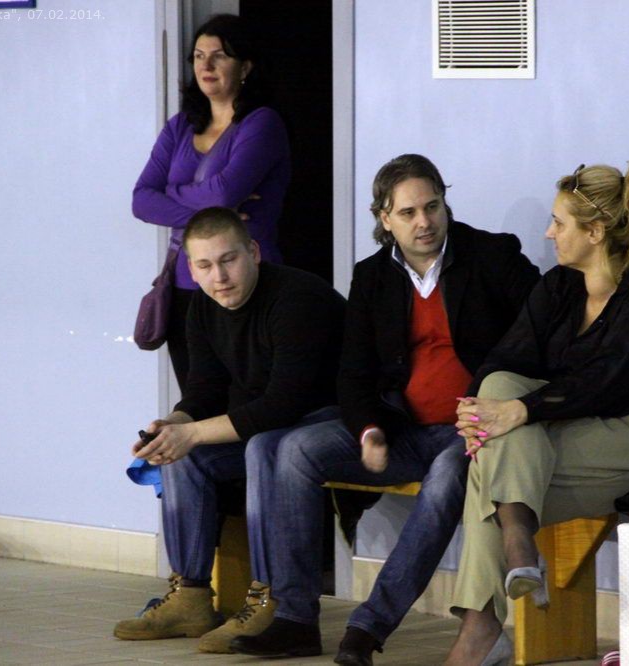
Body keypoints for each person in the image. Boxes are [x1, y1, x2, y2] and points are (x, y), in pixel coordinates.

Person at [231, 154, 540, 664]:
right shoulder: (372, 276)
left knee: (445, 478)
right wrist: (369, 430)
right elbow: (353, 372)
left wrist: (500, 402)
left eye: (432, 206)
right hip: (401, 428)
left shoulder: (493, 255)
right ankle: (294, 618)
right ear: (384, 218)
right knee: (291, 450)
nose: (424, 222)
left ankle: (367, 629)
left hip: (471, 433)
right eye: (408, 212)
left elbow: (540, 334)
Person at [443, 162, 629, 666]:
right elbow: (504, 360)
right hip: (573, 424)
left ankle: (485, 621)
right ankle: (515, 548)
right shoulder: (560, 286)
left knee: (488, 473)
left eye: (559, 222)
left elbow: (606, 384)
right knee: (498, 396)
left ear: (595, 231)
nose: (549, 233)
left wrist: (520, 411)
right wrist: (477, 414)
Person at [113, 207, 345, 654]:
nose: (218, 276)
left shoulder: (297, 297)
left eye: (228, 260)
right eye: (204, 265)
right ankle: (190, 597)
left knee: (263, 447)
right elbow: (204, 390)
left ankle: (270, 599)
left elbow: (284, 403)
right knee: (182, 454)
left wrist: (195, 432)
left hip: (333, 420)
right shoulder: (203, 306)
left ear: (253, 252)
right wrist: (175, 425)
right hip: (270, 425)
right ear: (191, 269)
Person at [132, 14, 290, 391]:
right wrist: (215, 211)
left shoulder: (261, 123)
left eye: (219, 56)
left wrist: (173, 193)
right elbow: (141, 200)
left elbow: (222, 194)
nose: (206, 65)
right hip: (186, 284)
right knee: (197, 401)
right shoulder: (180, 126)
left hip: (248, 280)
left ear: (245, 67)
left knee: (248, 399)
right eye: (199, 56)